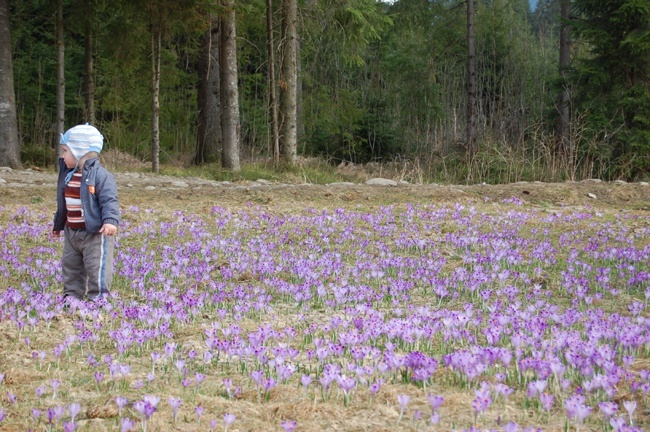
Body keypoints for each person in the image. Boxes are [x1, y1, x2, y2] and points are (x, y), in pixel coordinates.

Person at [52, 124, 120, 302]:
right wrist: (58, 224)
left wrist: (110, 220)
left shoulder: (101, 176)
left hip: (94, 233)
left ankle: (98, 298)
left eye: (65, 151)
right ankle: (71, 296)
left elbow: (109, 200)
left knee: (97, 266)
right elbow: (64, 203)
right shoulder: (68, 175)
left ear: (78, 151)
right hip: (71, 232)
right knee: (71, 266)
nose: (62, 156)